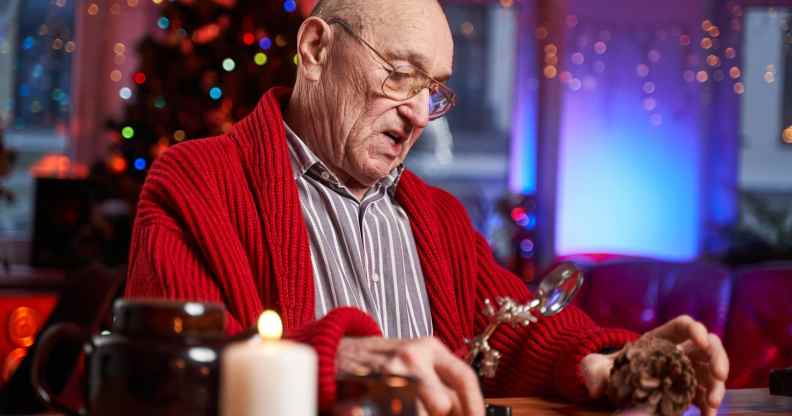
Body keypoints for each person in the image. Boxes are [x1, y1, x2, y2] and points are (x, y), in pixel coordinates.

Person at [125, 0, 729, 415]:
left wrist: (609, 363)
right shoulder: (197, 182)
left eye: (432, 90)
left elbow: (513, 331)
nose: (418, 113)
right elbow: (165, 372)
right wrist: (345, 360)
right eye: (401, 76)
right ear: (314, 49)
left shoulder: (435, 215)